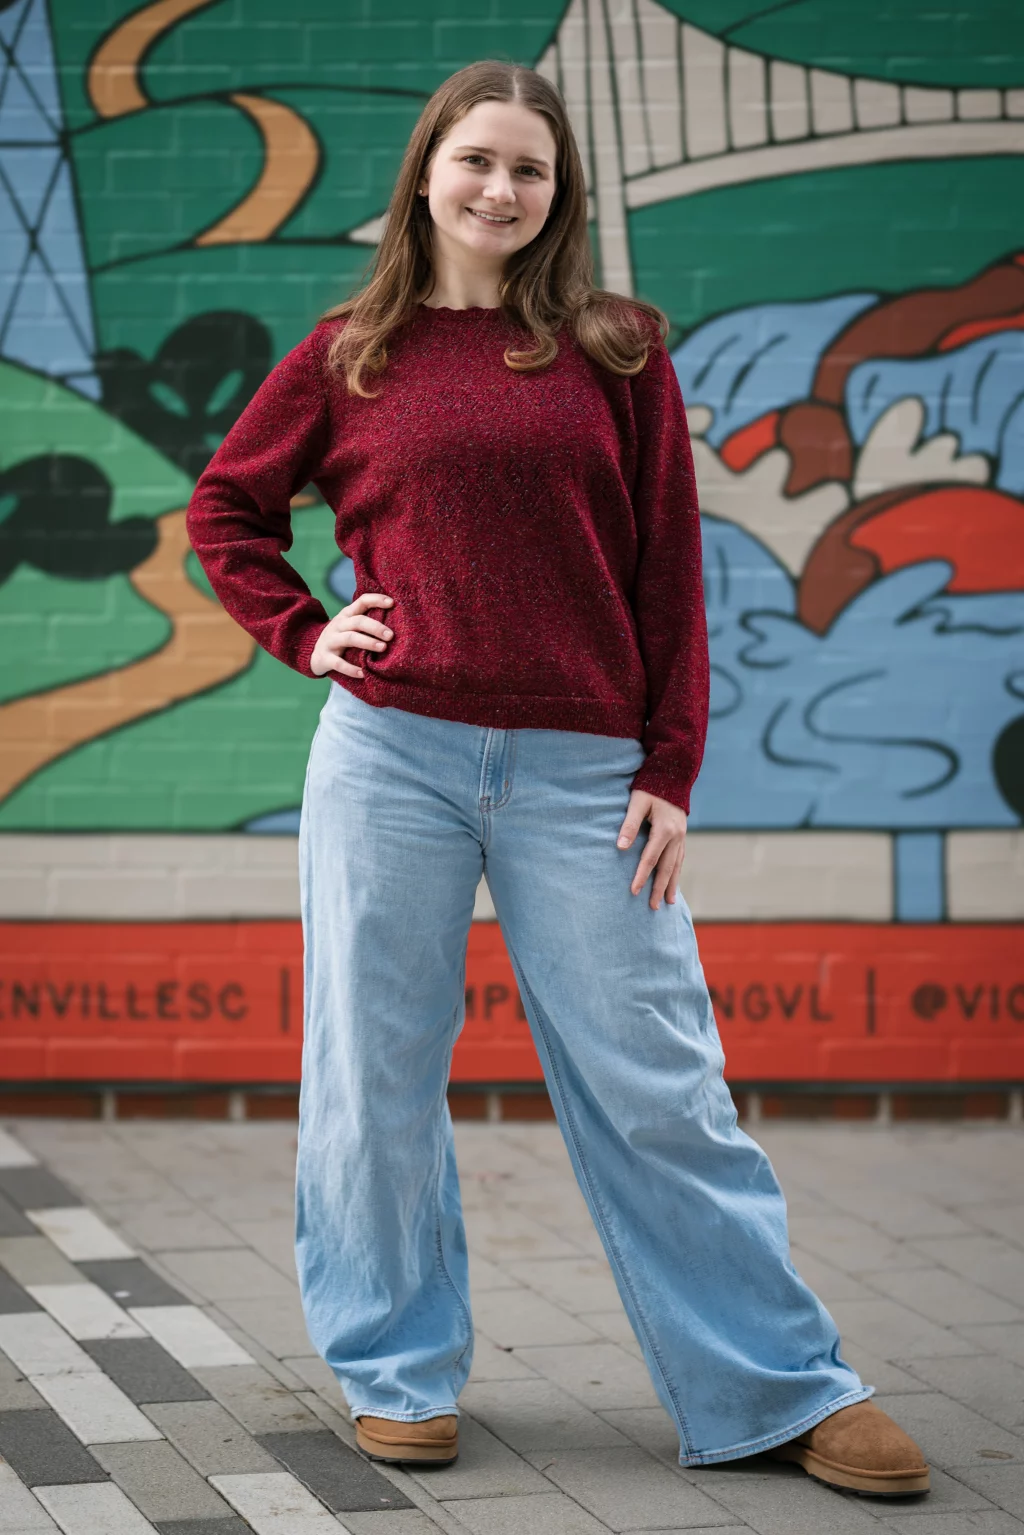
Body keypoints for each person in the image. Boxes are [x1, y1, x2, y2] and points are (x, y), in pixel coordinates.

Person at [186, 59, 930, 1500]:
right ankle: (395, 1370)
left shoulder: (619, 349)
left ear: (559, 192)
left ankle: (779, 1385)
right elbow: (227, 507)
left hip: (589, 770)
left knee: (661, 1084)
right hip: (391, 754)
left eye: (530, 168)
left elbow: (670, 573)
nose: (501, 188)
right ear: (427, 172)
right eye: (477, 159)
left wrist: (673, 766)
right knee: (372, 1077)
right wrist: (305, 629)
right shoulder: (350, 353)